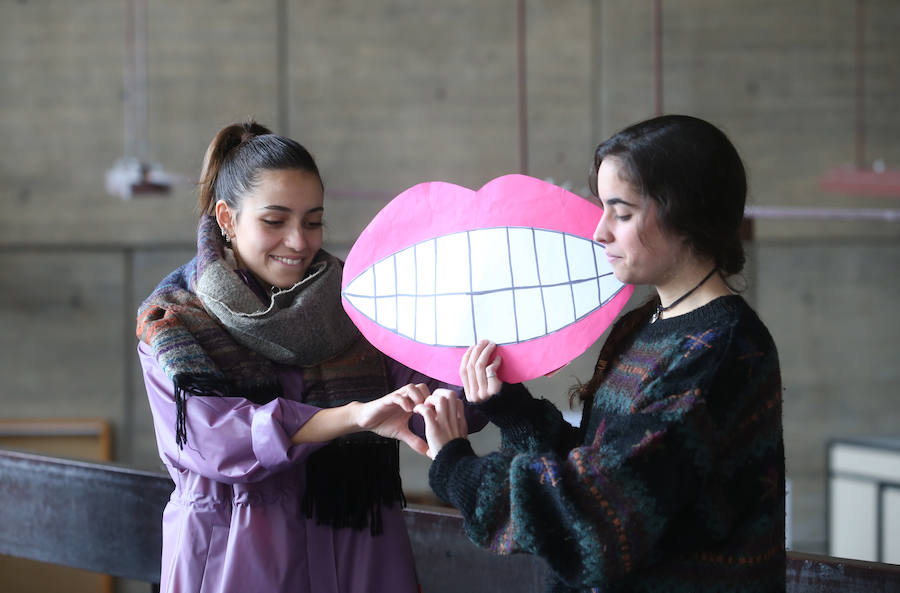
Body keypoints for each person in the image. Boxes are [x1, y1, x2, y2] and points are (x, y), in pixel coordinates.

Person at [415, 114, 786, 592]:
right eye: (603, 209)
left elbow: (600, 518)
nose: (600, 232)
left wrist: (456, 468)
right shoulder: (643, 323)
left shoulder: (721, 350)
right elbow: (603, 463)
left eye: (622, 212)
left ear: (685, 214)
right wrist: (514, 409)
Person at [136, 120, 483, 593]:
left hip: (362, 556)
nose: (299, 241)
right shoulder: (174, 319)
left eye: (313, 221)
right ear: (227, 219)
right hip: (235, 564)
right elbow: (215, 440)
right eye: (275, 221)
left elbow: (426, 399)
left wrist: (486, 375)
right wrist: (350, 417)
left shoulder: (357, 306)